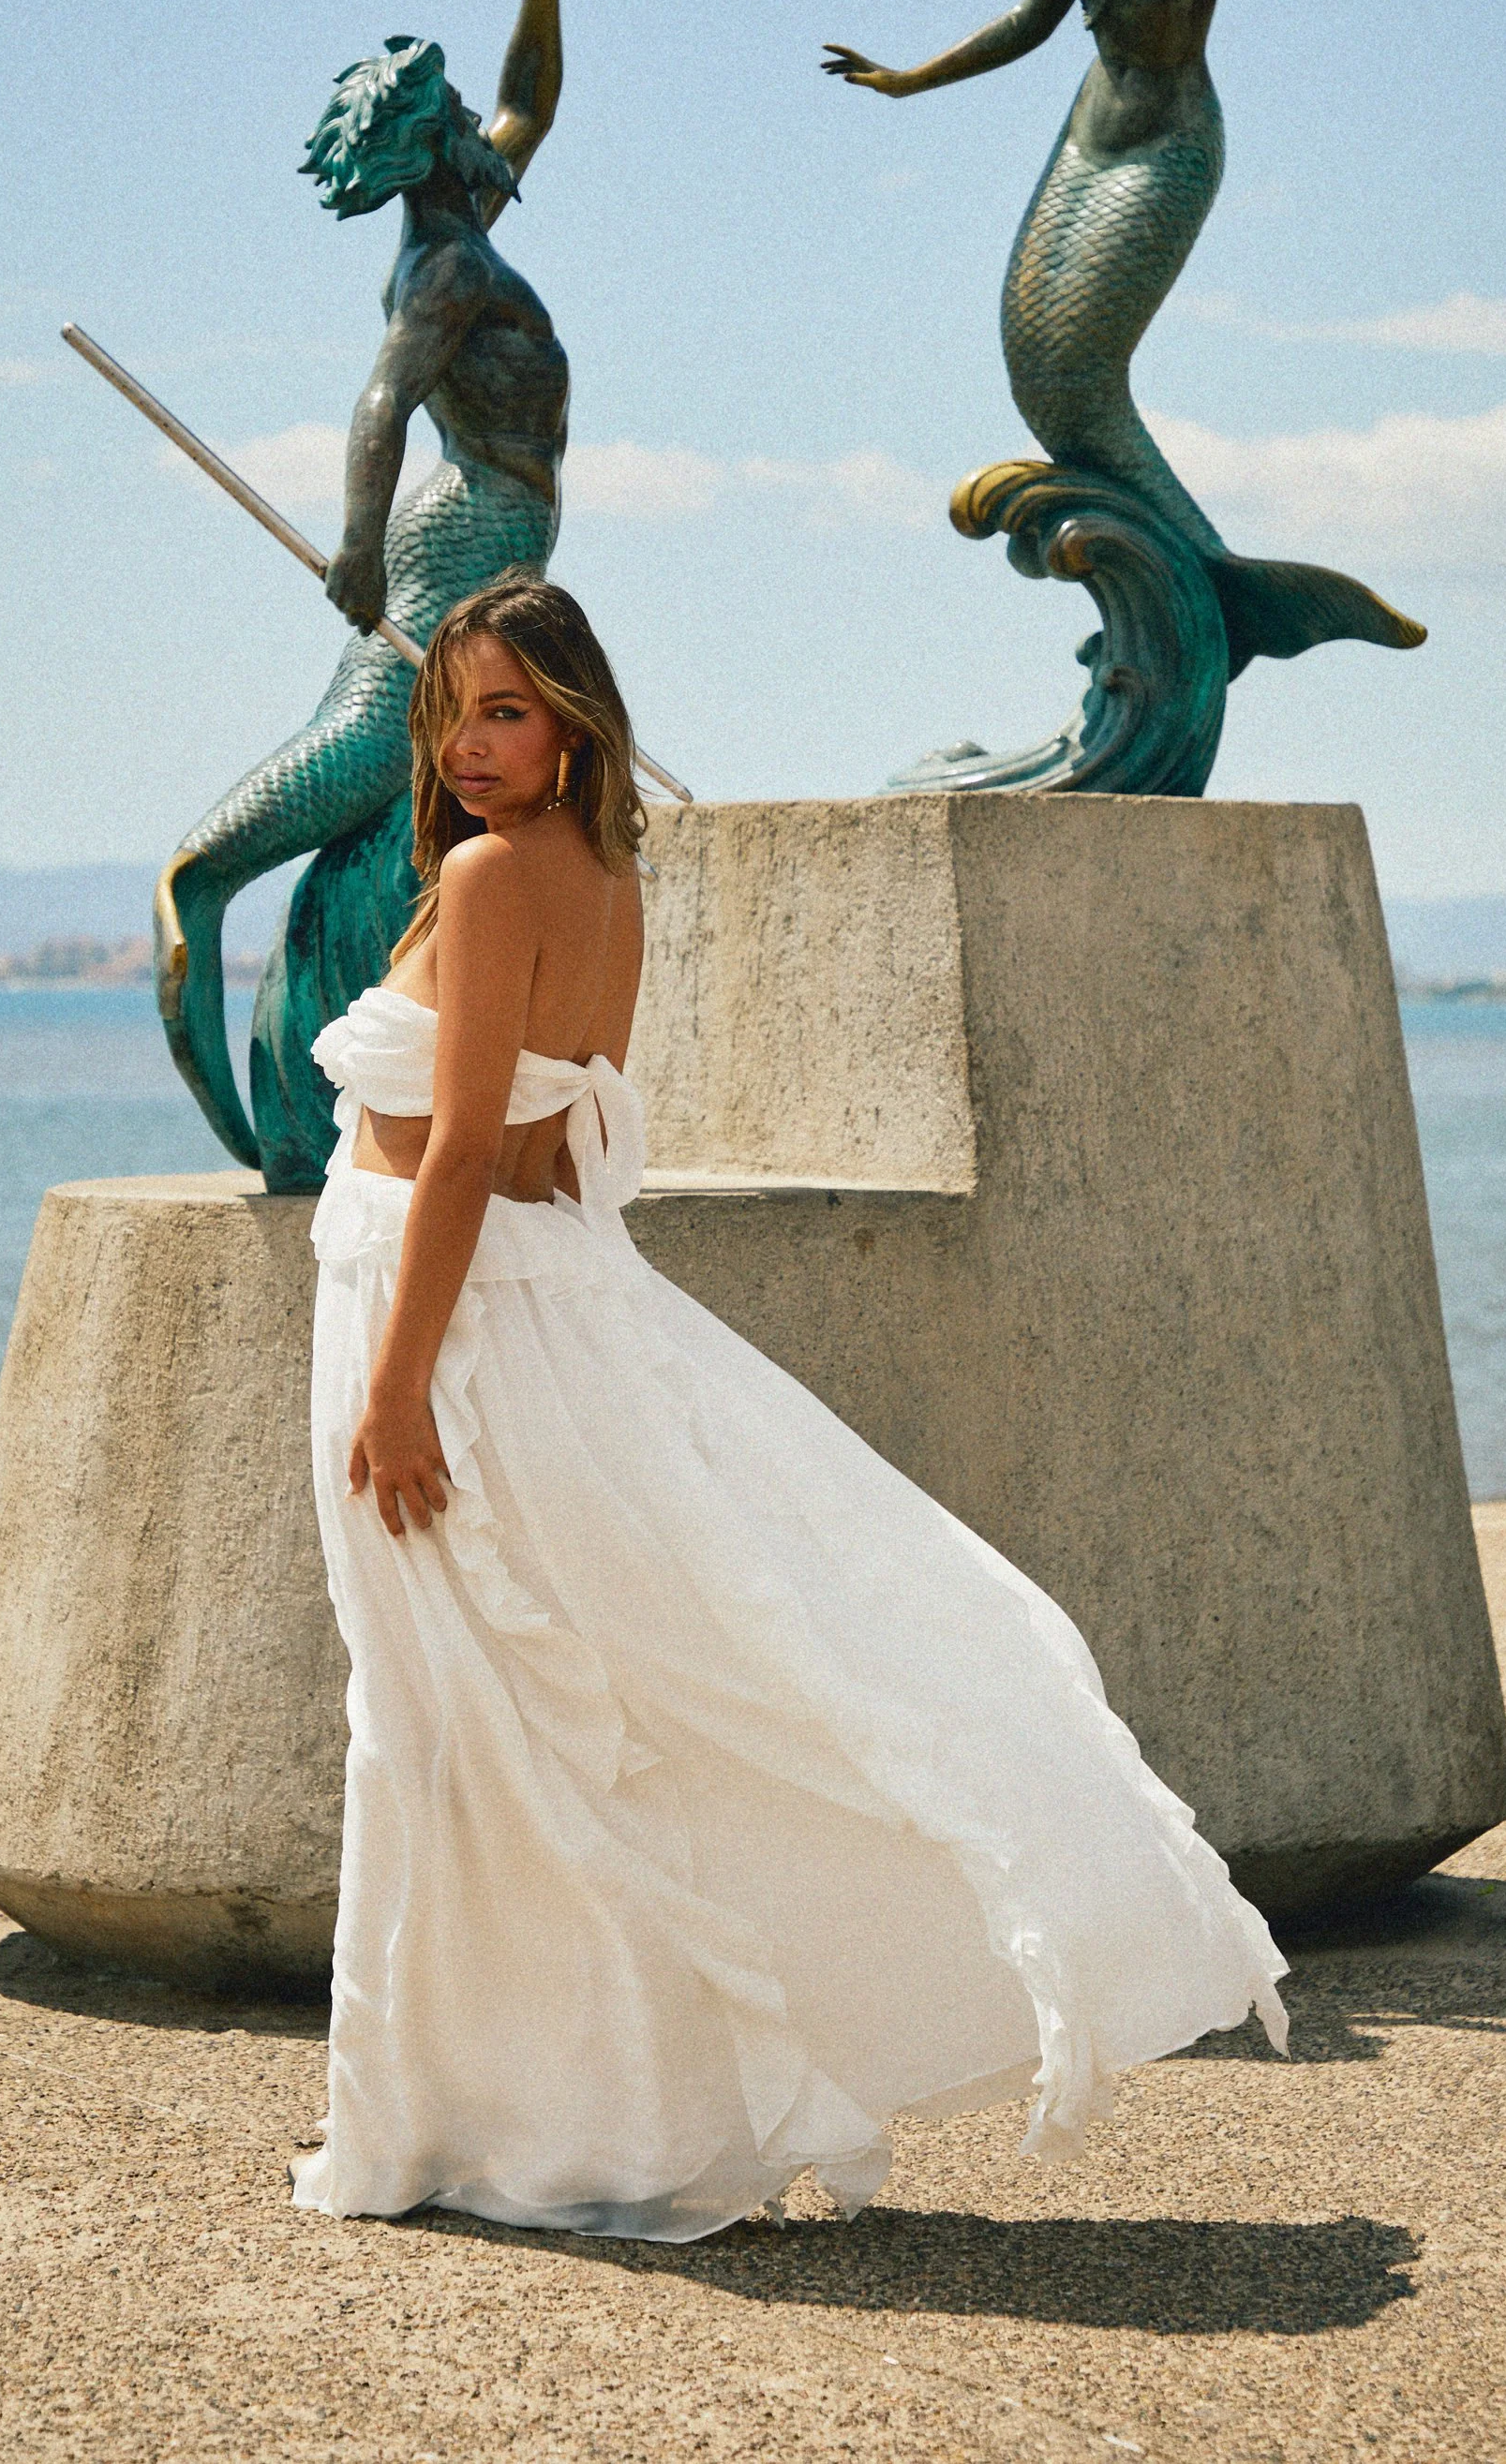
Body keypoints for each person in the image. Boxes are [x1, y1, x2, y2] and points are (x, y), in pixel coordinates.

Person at [290, 576, 1288, 2244]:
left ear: (576, 725)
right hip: (527, 1303)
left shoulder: (486, 875)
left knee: (455, 1717)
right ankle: (536, 2110)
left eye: (507, 711)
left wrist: (399, 1389)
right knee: (523, 1717)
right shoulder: (605, 875)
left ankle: (488, 2119)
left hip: (440, 1320)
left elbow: (464, 1150)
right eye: (453, 711)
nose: (469, 744)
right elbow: (565, 1147)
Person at [823, 0, 1421, 706]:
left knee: (1076, 379)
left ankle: (1211, 589)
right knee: (1044, 381)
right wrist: (910, 79)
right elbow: (1027, 22)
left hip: (1167, 146)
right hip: (1083, 141)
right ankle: (1212, 590)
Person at [154, 0, 603, 1193]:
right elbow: (380, 401)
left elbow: (532, 104)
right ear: (425, 143)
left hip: (480, 538)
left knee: (393, 820)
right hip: (454, 547)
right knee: (354, 757)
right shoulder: (449, 267)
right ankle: (195, 899)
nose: (479, 124)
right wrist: (355, 549)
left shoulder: (469, 219)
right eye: (453, 114)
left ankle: (320, 1091)